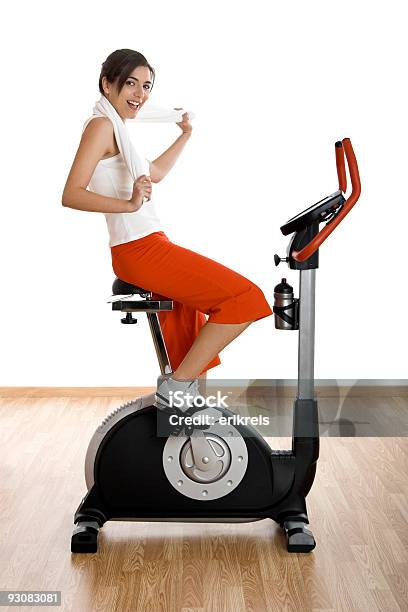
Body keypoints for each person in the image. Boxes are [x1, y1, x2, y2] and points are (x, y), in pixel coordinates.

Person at [62, 48, 273, 410]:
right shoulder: (101, 127)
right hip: (139, 250)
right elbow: (72, 194)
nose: (140, 95)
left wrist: (184, 135)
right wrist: (128, 204)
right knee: (245, 299)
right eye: (131, 84)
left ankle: (191, 416)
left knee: (190, 339)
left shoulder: (121, 132)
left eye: (146, 86)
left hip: (151, 245)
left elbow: (154, 173)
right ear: (106, 84)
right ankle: (176, 390)